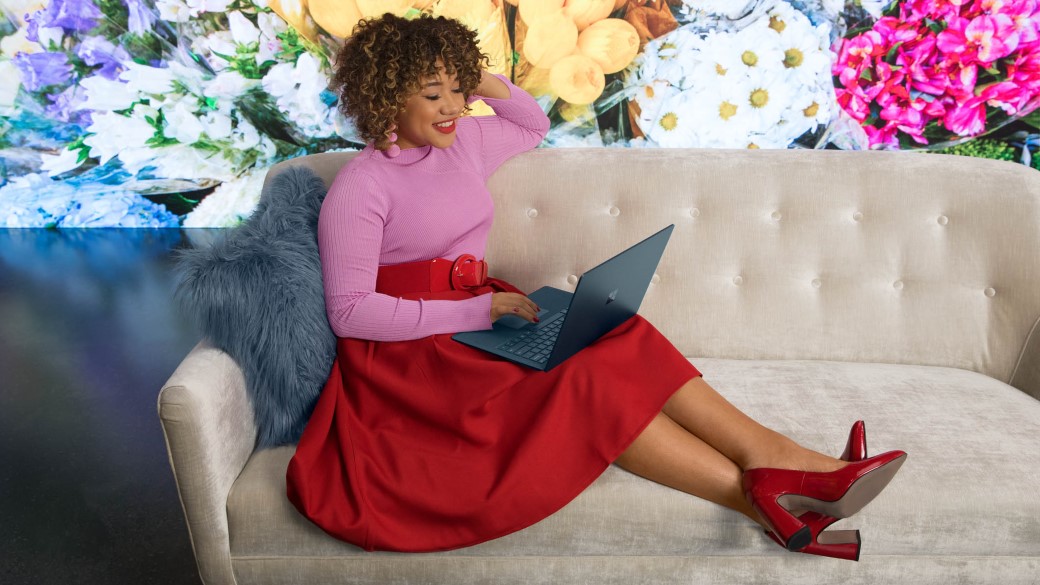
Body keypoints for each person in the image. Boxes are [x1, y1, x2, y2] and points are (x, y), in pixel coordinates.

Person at [286, 12, 906, 561]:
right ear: (386, 96)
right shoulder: (360, 189)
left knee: (618, 330)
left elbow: (528, 121)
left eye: (457, 88)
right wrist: (475, 312)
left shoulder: (463, 141)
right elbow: (350, 312)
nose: (453, 106)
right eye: (433, 92)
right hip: (414, 357)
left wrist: (469, 78)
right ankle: (771, 495)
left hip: (482, 313)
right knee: (584, 381)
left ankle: (782, 462)